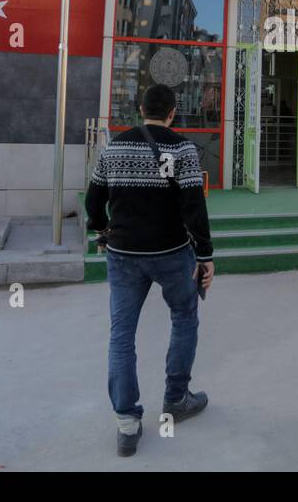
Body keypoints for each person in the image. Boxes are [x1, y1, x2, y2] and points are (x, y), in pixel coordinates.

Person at [85, 83, 214, 458]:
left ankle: (127, 423)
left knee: (121, 334)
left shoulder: (114, 147)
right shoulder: (181, 148)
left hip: (123, 254)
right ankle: (176, 399)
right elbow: (194, 206)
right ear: (173, 113)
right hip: (172, 254)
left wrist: (102, 231)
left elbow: (95, 200)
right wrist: (205, 254)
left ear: (140, 109)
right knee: (185, 318)